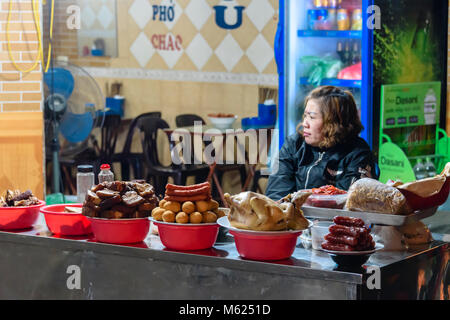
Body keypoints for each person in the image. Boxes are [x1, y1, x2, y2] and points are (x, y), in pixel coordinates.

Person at [265, 86, 379, 200]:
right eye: (305, 116)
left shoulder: (357, 154)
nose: (305, 123)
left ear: (334, 122)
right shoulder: (294, 144)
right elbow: (276, 193)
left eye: (312, 117)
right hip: (292, 215)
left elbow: (347, 203)